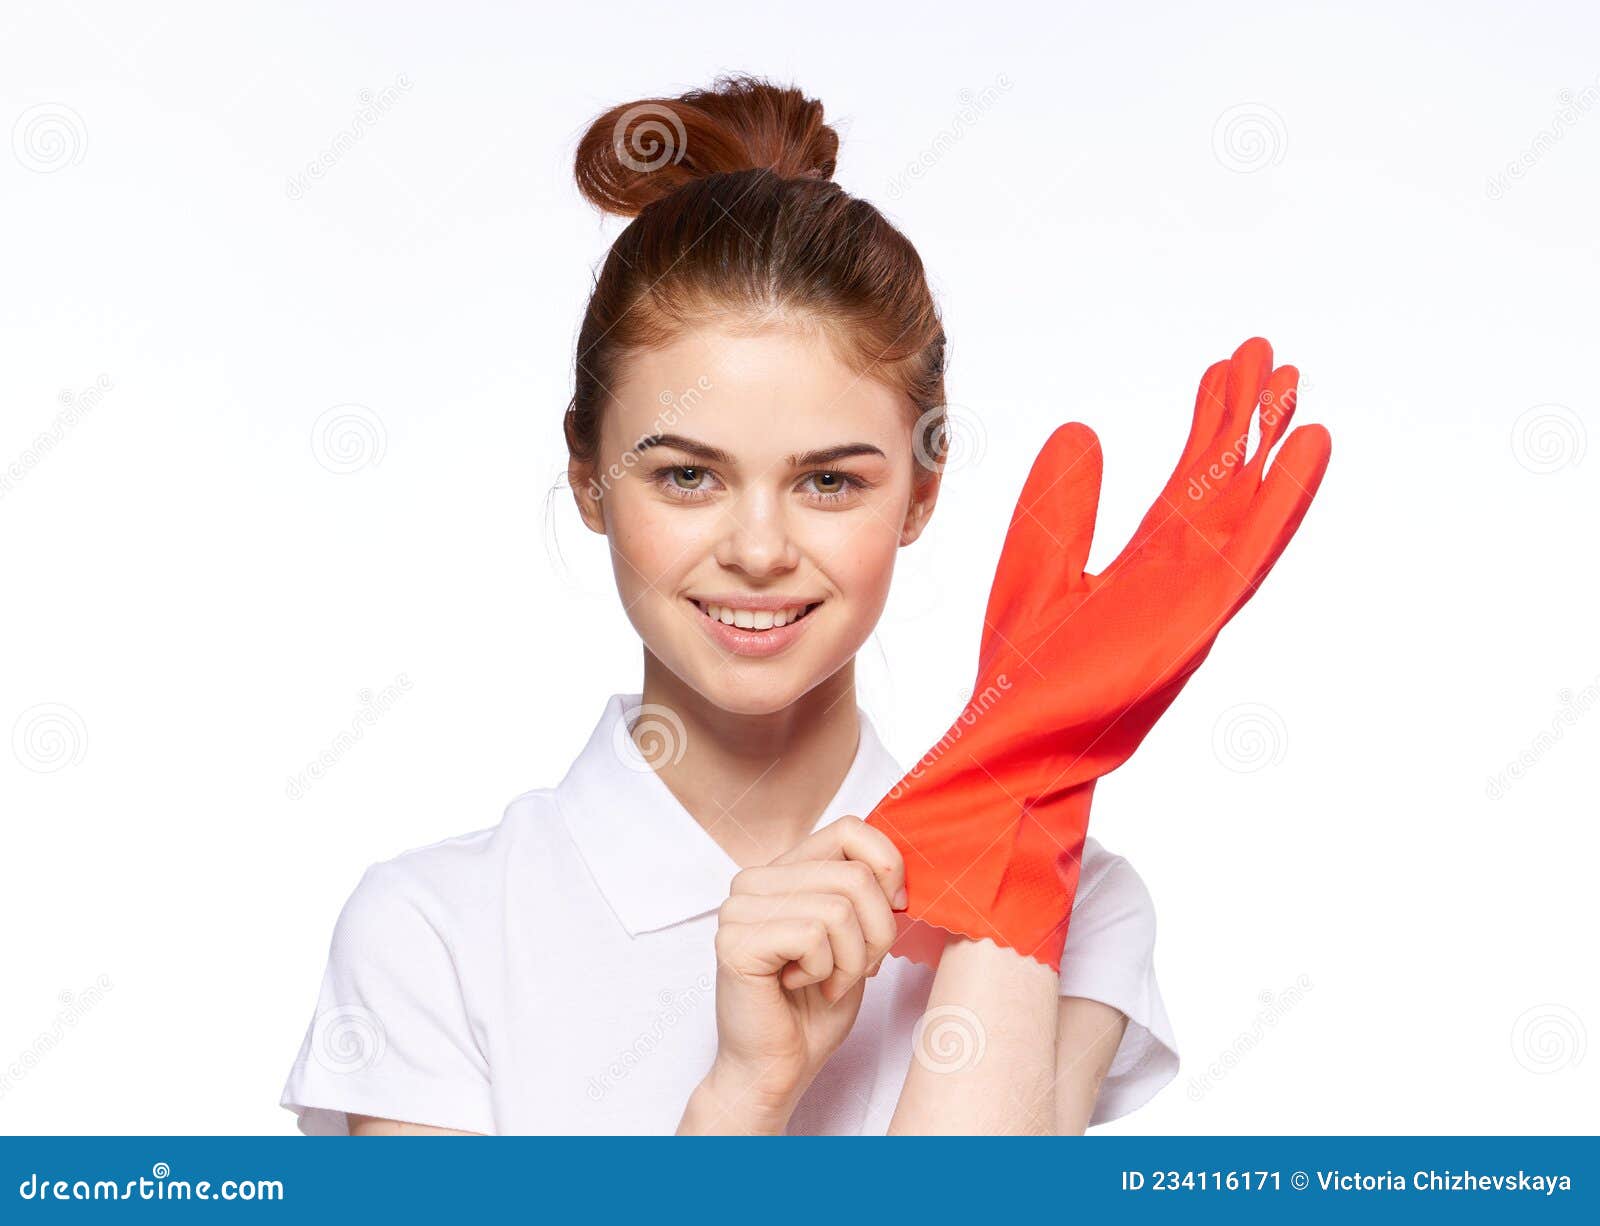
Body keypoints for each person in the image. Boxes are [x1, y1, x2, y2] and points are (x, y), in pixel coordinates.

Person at [279, 73, 1178, 1136]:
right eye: (687, 476)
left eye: (829, 480)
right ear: (588, 476)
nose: (759, 550)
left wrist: (1015, 806)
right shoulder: (434, 933)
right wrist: (742, 1100)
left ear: (920, 491)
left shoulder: (1073, 901)